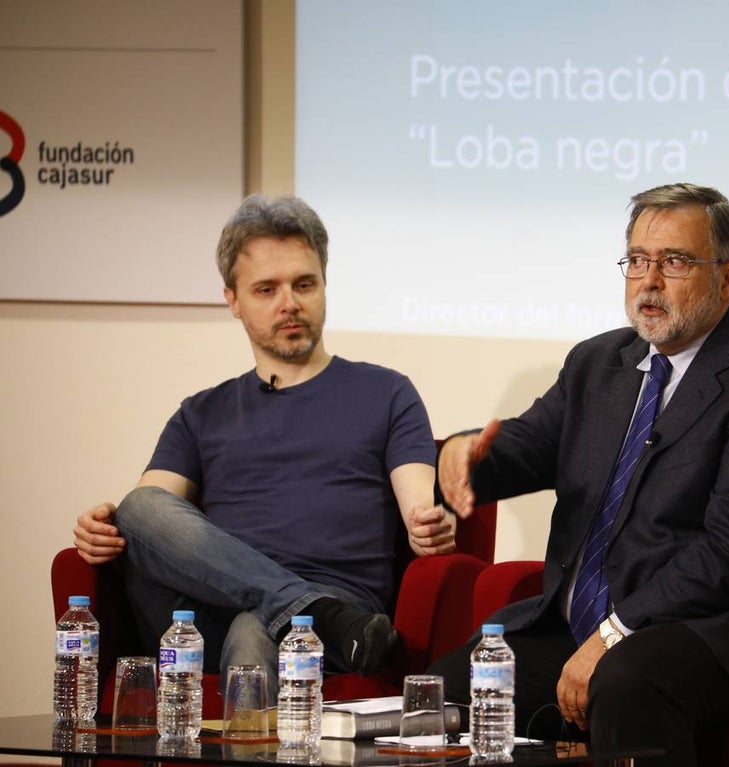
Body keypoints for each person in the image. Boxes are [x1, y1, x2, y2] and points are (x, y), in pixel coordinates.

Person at [432, 183, 729, 766]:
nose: (649, 281)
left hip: (693, 630)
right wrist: (465, 456)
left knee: (626, 681)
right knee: (450, 688)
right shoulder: (599, 363)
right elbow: (530, 446)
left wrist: (615, 635)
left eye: (675, 262)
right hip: (578, 626)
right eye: (637, 260)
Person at [72, 194, 456, 693]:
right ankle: (316, 613)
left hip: (335, 607)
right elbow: (150, 518)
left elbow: (418, 501)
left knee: (257, 630)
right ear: (233, 299)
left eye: (304, 284)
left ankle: (312, 614)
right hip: (227, 616)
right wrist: (101, 527)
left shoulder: (386, 392)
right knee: (140, 506)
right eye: (266, 289)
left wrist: (427, 524)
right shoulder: (201, 412)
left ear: (323, 285)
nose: (289, 303)